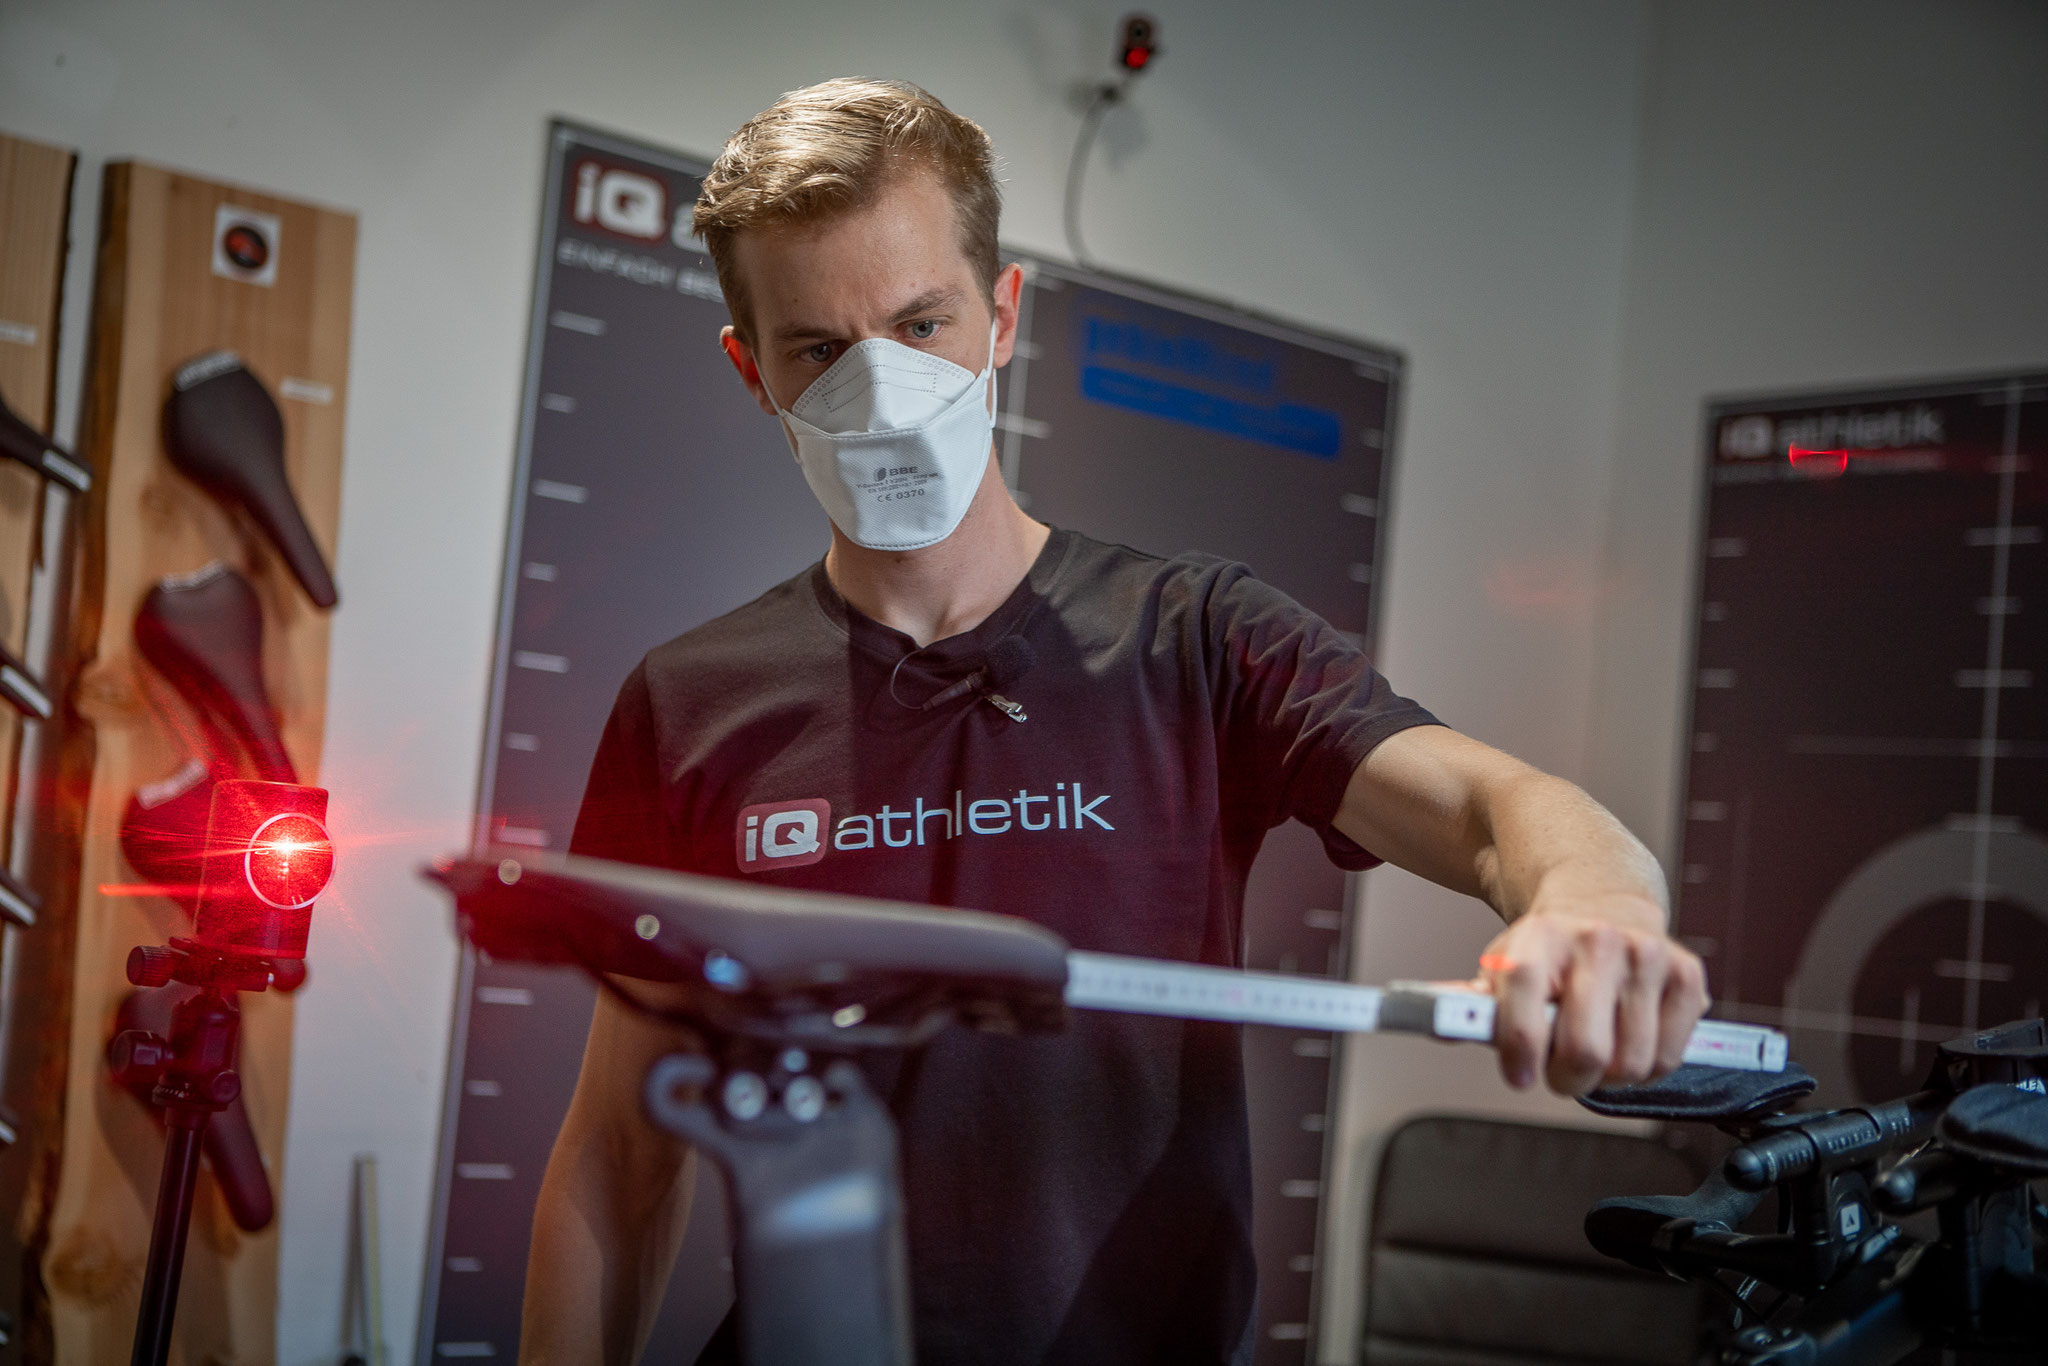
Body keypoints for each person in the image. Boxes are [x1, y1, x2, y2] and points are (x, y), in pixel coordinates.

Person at [522, 77, 1708, 1366]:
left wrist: (1597, 913)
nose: (881, 387)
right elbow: (620, 1161)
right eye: (819, 349)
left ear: (1004, 314)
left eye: (922, 323)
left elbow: (1497, 813)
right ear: (753, 370)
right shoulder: (691, 703)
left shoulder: (1195, 638)